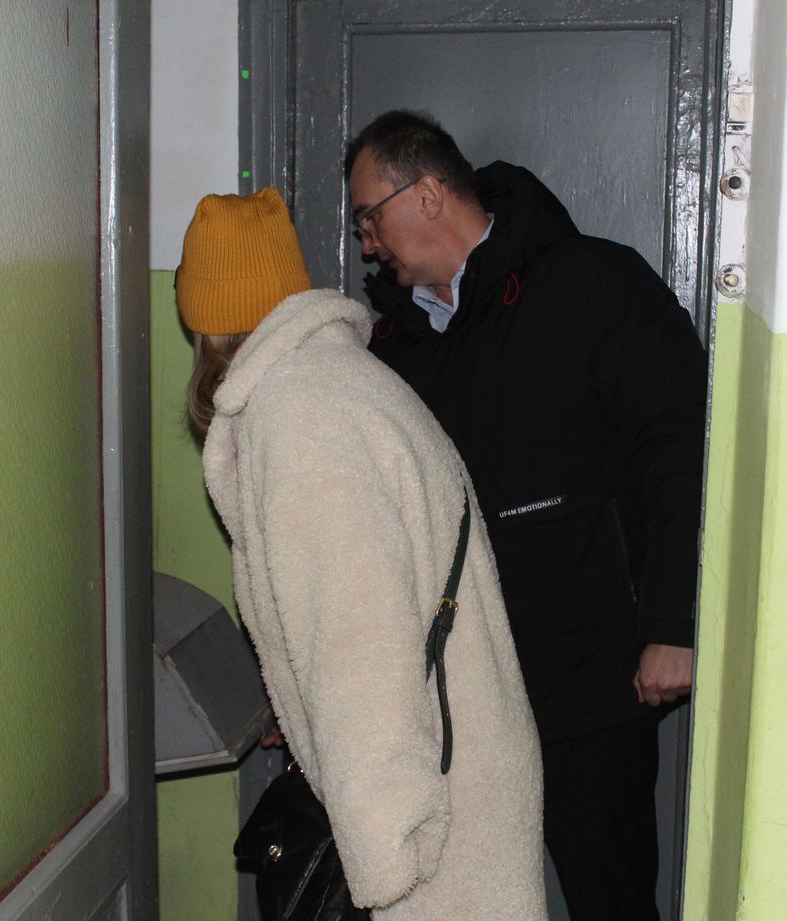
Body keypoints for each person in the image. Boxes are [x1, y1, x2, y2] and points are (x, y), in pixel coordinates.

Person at [345, 111, 707, 921]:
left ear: (427, 194)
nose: (367, 243)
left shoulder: (594, 285)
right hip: (461, 698)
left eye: (371, 217)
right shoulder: (393, 347)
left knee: (610, 902)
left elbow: (685, 447)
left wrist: (674, 623)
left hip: (593, 685)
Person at [176, 187, 549, 921]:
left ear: (204, 315)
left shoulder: (301, 416)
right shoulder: (336, 382)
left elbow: (359, 647)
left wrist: (383, 848)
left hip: (425, 813)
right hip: (455, 759)